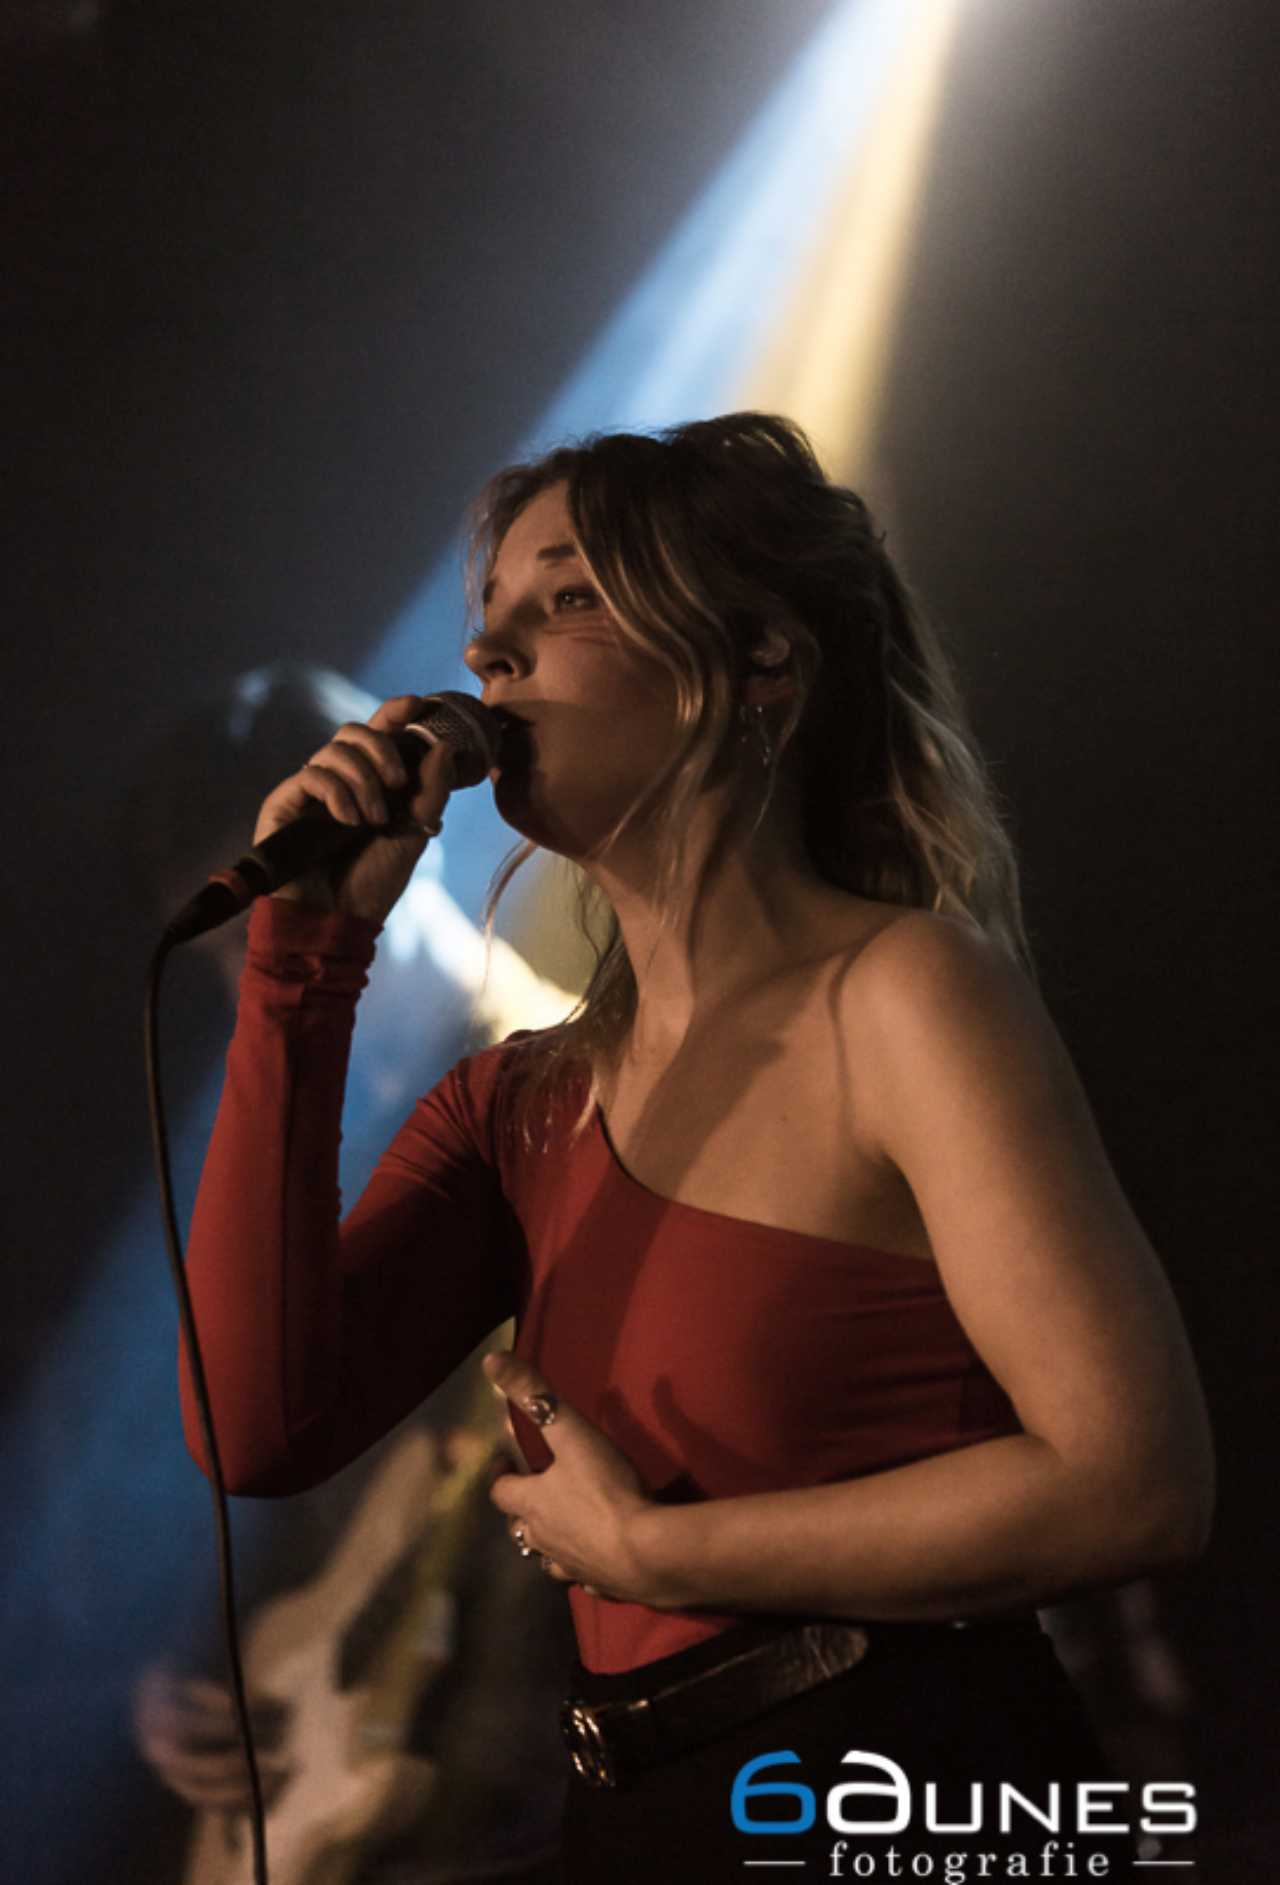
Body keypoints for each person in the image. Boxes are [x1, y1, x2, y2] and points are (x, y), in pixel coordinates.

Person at [179, 414, 1215, 1880]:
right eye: (488, 616)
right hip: (636, 1810)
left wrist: (660, 1556)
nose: (485, 655)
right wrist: (304, 963)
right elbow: (255, 1427)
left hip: (893, 1779)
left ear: (757, 663)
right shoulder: (518, 1105)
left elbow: (1135, 1484)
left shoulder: (904, 993)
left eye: (567, 596)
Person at [129, 663, 575, 1884]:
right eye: (231, 935)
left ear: (402, 841)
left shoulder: (562, 1082)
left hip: (534, 1772)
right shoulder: (302, 1127)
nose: (251, 957)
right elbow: (287, 1481)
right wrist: (201, 1672)